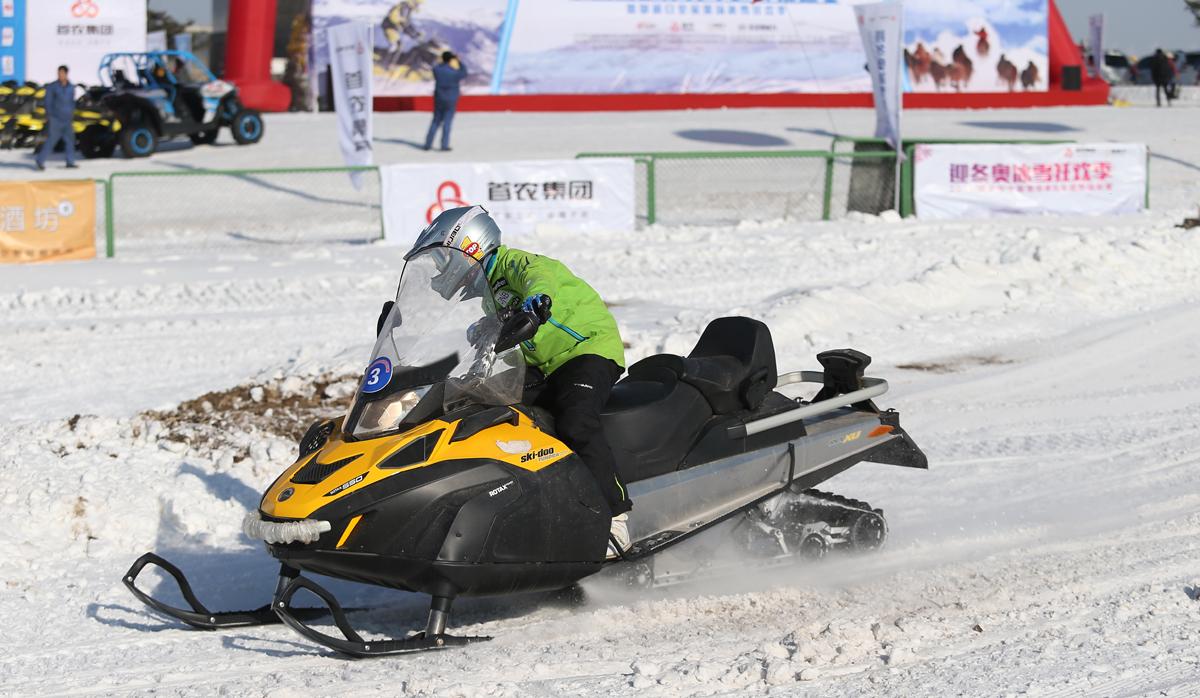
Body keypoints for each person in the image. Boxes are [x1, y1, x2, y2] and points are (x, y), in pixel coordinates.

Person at [396, 205, 633, 557]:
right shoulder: (490, 292)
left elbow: (539, 279)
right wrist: (484, 330)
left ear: (470, 247)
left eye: (444, 260)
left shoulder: (516, 264)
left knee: (576, 421)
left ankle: (616, 518)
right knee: (483, 407)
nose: (440, 271)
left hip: (585, 351)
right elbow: (507, 327)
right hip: (543, 364)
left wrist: (537, 300)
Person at [36, 65, 77, 170]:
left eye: (62, 73)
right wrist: (50, 115)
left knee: (70, 141)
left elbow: (72, 101)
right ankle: (40, 160)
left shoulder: (71, 87)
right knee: (52, 140)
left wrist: (72, 112)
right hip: (56, 119)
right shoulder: (52, 87)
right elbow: (48, 102)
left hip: (67, 118)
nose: (60, 75)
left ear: (66, 74)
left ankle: (70, 161)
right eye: (59, 73)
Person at [424, 51, 466, 152]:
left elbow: (435, 67)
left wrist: (442, 60)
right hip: (451, 98)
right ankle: (444, 145)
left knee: (435, 121)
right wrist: (458, 61)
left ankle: (428, 144)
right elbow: (464, 72)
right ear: (451, 59)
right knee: (447, 123)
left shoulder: (437, 70)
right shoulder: (454, 72)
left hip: (439, 98)